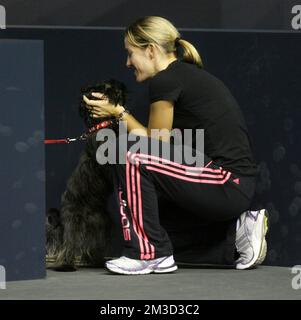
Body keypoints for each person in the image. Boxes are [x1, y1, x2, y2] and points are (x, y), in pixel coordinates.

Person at [83, 16, 268, 275]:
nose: (127, 63)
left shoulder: (166, 80)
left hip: (226, 182)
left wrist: (118, 112)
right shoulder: (181, 76)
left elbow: (151, 145)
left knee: (126, 152)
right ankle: (236, 236)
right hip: (230, 187)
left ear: (150, 50)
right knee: (154, 227)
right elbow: (159, 147)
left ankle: (148, 254)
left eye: (130, 53)